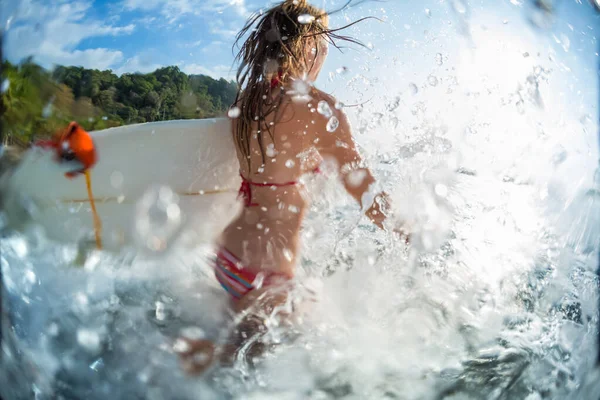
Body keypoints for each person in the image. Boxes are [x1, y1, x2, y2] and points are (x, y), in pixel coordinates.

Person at [176, 0, 408, 374]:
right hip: (267, 275)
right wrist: (407, 230)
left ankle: (195, 357)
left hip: (229, 258)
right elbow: (362, 189)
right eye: (324, 51)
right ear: (310, 47)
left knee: (246, 357)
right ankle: (185, 359)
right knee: (266, 365)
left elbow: (269, 165)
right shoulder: (317, 107)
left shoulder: (246, 102)